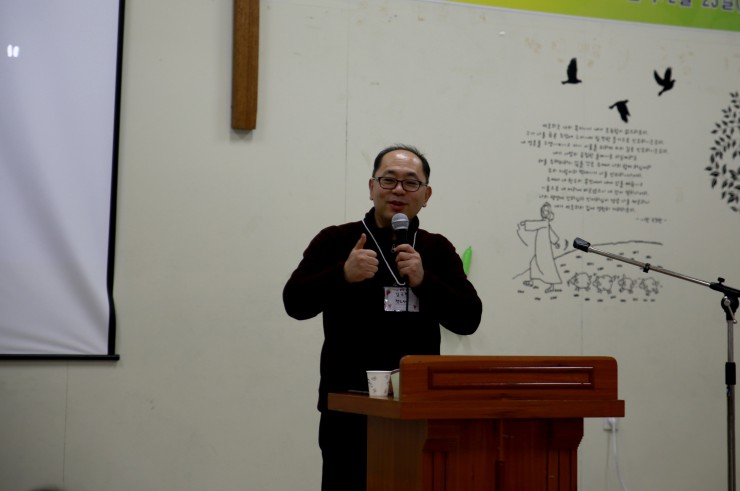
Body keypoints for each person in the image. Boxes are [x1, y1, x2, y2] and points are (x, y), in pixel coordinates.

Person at [283, 144, 483, 490]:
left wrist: (425, 281)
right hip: (348, 405)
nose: (398, 190)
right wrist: (342, 274)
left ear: (426, 195)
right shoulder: (337, 240)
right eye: (388, 180)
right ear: (372, 187)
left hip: (416, 406)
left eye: (411, 182)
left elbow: (468, 319)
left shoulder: (436, 249)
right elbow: (295, 303)